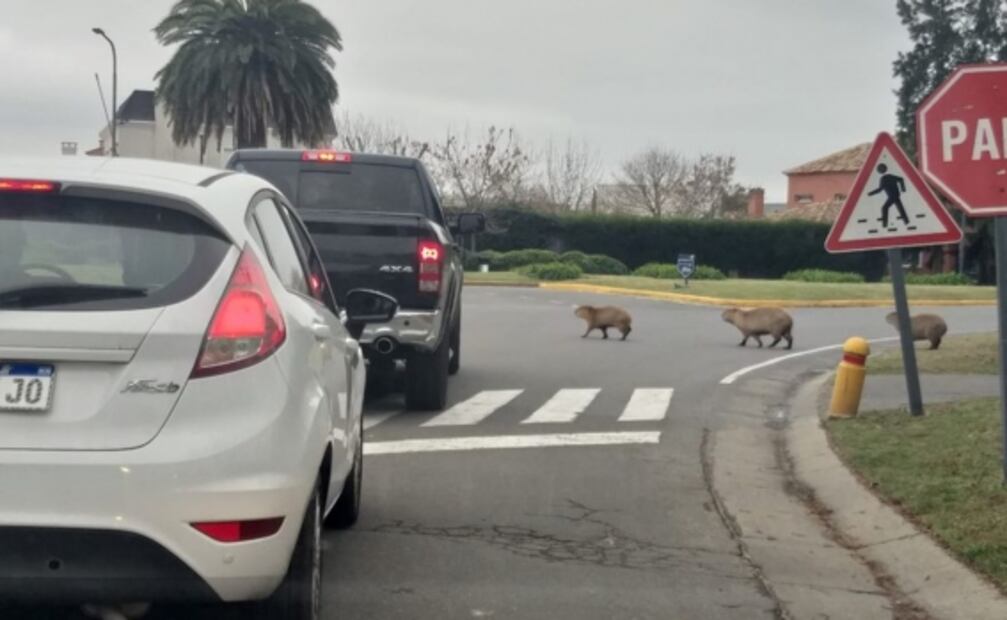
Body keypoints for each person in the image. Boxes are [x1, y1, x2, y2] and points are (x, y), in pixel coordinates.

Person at [867, 163, 910, 228]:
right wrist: (903, 189)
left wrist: (870, 194)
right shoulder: (891, 176)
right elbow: (901, 179)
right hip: (897, 194)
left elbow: (880, 190)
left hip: (892, 196)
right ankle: (906, 221)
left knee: (884, 208)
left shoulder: (883, 179)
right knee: (900, 207)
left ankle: (885, 224)